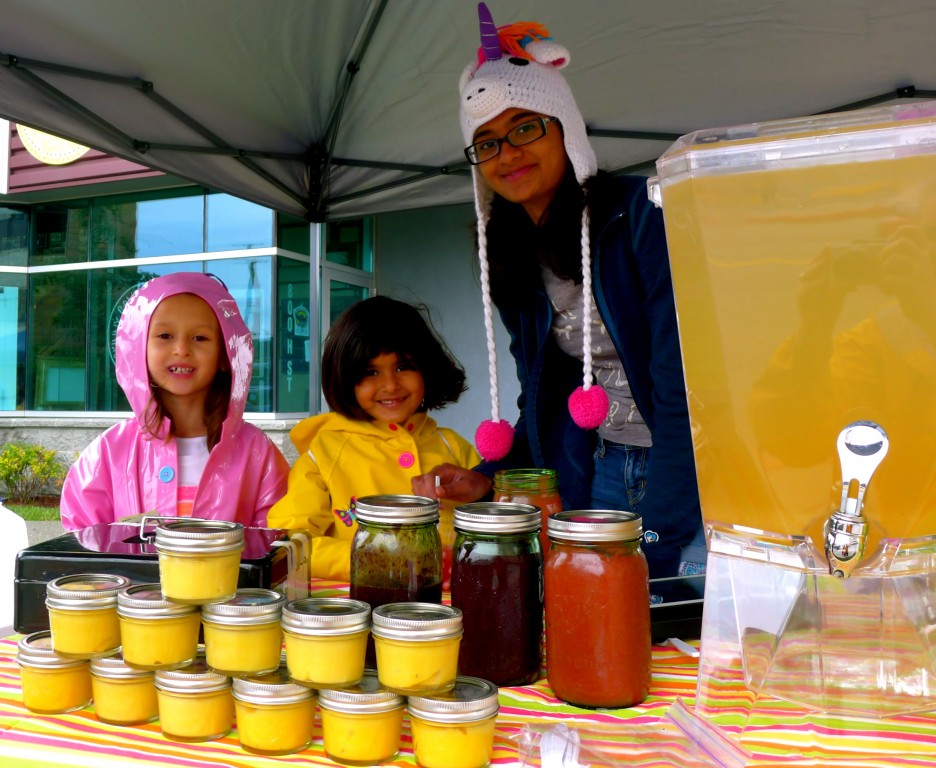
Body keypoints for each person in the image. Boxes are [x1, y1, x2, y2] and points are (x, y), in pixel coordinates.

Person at [412, 6, 703, 579]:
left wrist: (662, 532)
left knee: (666, 612)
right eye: (487, 142)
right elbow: (541, 393)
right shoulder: (510, 254)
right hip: (597, 467)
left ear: (564, 127)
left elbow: (681, 385)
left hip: (687, 473)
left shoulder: (641, 215)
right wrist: (489, 479)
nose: (508, 153)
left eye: (524, 127)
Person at [267, 296, 480, 580]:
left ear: (427, 367)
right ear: (343, 377)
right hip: (362, 609)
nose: (390, 385)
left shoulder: (453, 446)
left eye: (403, 366)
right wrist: (374, 560)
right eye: (370, 372)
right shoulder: (325, 452)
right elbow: (289, 544)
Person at [60, 272, 289, 530]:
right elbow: (82, 542)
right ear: (137, 349)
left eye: (200, 338)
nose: (181, 349)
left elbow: (274, 546)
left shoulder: (258, 454)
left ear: (226, 354)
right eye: (165, 336)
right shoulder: (109, 453)